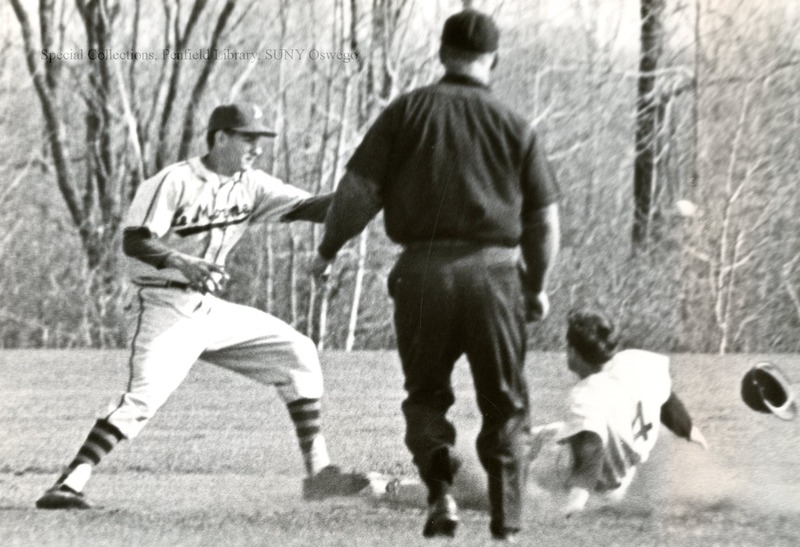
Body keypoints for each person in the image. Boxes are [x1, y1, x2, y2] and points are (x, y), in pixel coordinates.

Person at [35, 102, 370, 510]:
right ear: (220, 138)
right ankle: (68, 483)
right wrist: (181, 260)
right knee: (144, 397)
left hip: (209, 309)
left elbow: (317, 208)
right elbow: (135, 239)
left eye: (260, 140)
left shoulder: (253, 185)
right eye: (249, 138)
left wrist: (372, 189)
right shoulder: (173, 181)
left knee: (298, 352)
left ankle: (319, 474)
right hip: (161, 303)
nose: (257, 148)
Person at [310, 9, 560, 542]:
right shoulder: (515, 126)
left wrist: (328, 248)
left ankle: (441, 493)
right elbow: (544, 221)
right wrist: (535, 286)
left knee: (426, 396)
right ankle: (507, 523)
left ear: (441, 53)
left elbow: (358, 194)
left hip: (423, 271)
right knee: (505, 403)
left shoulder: (407, 112)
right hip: (495, 275)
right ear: (494, 59)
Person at [527, 309, 709, 516]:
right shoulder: (636, 362)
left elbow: (592, 451)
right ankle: (531, 438)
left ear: (573, 353)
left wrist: (575, 503)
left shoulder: (585, 395)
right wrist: (688, 429)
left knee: (528, 461)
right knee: (550, 433)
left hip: (601, 487)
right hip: (625, 470)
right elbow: (666, 400)